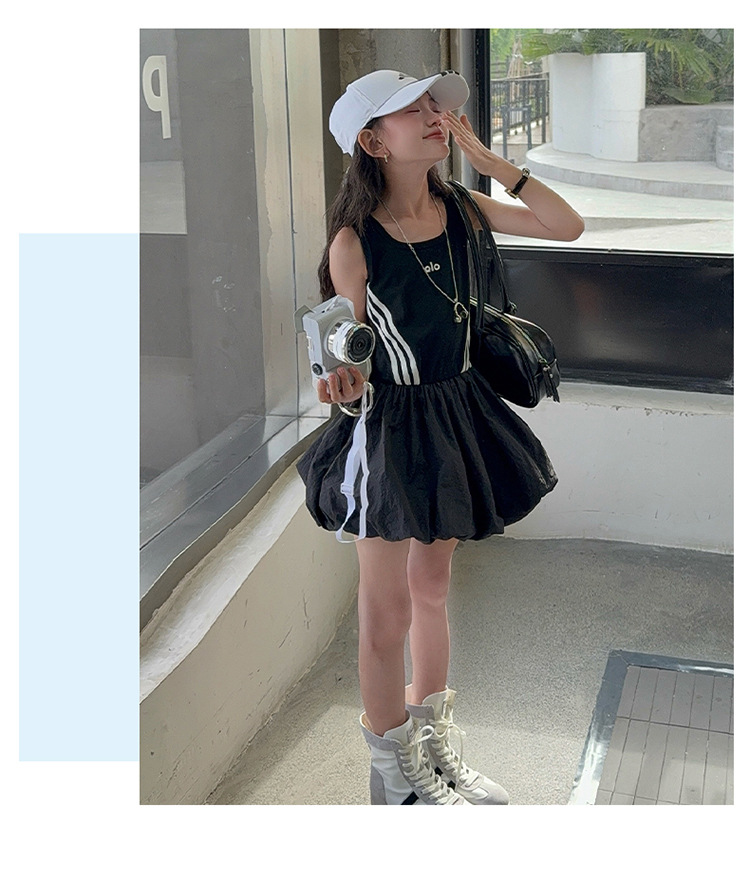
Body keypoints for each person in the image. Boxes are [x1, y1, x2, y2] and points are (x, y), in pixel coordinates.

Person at [297, 69, 584, 805]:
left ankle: (430, 748)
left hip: (455, 413)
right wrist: (341, 381)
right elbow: (346, 352)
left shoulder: (462, 206)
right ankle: (392, 772)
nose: (434, 115)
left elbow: (566, 226)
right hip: (387, 432)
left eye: (436, 105)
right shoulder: (354, 242)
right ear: (373, 142)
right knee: (385, 609)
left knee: (431, 588)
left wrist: (496, 166)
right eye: (412, 109)